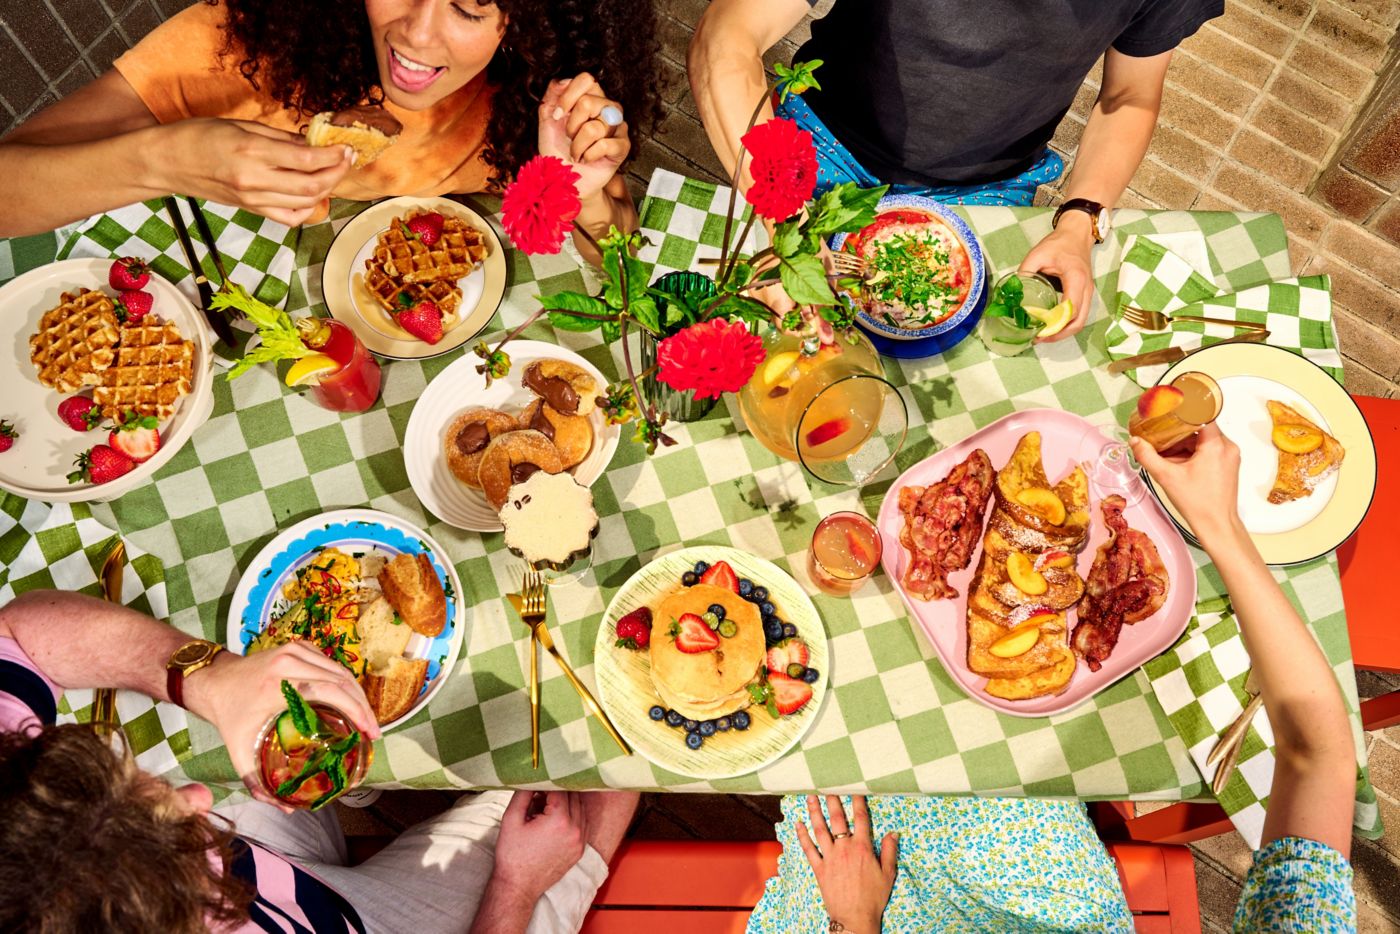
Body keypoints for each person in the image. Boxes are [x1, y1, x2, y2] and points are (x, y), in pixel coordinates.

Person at [748, 424, 1357, 932]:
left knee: (828, 759)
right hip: (1046, 894)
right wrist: (1217, 524)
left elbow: (1318, 755)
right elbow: (1318, 755)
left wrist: (854, 919)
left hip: (861, 905)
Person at [0, 589, 639, 933]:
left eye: (134, 787)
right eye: (172, 834)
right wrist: (515, 888)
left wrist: (204, 678)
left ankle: (347, 792)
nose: (198, 798)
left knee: (282, 744)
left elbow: (16, 632)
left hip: (279, 881)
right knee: (583, 784)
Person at [689, 0, 1224, 340]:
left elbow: (1129, 96)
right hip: (818, 150)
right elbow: (725, 37)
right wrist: (786, 223)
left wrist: (1081, 219)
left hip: (993, 190)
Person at [0, 0, 662, 262]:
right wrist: (163, 161)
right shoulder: (240, 40)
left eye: (467, 7)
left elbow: (618, 254)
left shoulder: (533, 96)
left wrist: (577, 190)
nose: (416, 34)